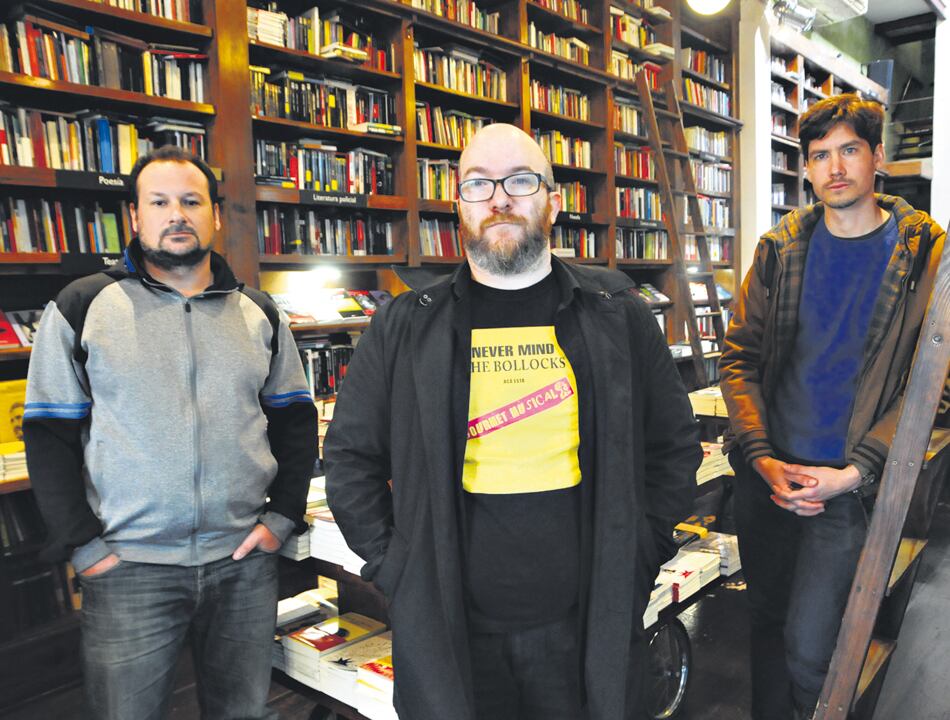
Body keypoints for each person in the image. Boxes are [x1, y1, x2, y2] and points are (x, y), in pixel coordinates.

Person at [323, 123, 701, 720]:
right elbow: (350, 460)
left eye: (520, 180)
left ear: (553, 199)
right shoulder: (404, 325)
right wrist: (397, 569)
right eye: (478, 183)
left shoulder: (616, 314)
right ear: (458, 204)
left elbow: (674, 446)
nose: (498, 197)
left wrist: (640, 552)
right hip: (451, 630)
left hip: (585, 624)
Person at [23, 146, 317, 720]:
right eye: (158, 202)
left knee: (243, 713)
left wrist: (280, 518)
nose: (175, 214)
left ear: (213, 215)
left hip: (242, 563)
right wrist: (85, 548)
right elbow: (48, 437)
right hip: (128, 568)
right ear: (135, 216)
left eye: (190, 201)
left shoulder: (258, 311)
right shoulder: (82, 306)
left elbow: (295, 422)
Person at [719, 94, 946, 720]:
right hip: (769, 478)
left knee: (813, 651)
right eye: (820, 155)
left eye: (849, 150)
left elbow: (936, 386)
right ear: (808, 168)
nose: (835, 167)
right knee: (763, 624)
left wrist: (856, 472)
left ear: (878, 158)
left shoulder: (925, 255)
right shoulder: (781, 248)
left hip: (845, 487)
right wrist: (761, 459)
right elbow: (738, 357)